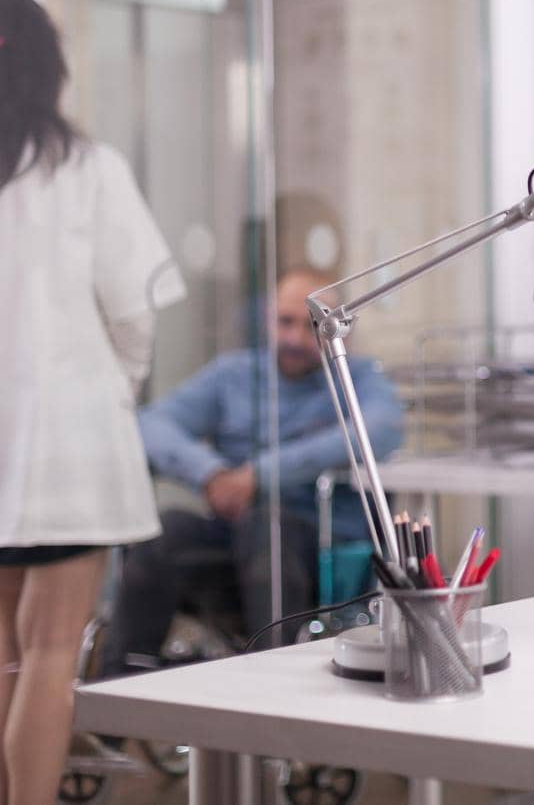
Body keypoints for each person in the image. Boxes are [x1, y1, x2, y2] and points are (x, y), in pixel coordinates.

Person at [0, 0, 186, 803]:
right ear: (53, 69)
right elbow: (133, 309)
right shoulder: (87, 170)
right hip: (69, 442)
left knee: (5, 653)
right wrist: (121, 382)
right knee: (49, 653)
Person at [100, 267, 403, 675]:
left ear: (337, 327)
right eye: (285, 322)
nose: (295, 338)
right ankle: (121, 697)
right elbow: (152, 423)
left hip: (316, 550)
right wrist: (209, 473)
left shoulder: (357, 376)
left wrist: (258, 476)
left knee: (268, 525)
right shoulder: (234, 374)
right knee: (164, 530)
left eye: (311, 324)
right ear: (268, 320)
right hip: (233, 540)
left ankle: (270, 685)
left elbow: (381, 429)